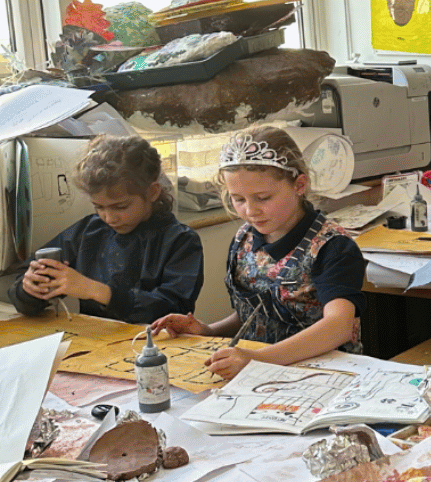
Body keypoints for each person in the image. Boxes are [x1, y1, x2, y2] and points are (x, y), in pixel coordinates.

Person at [150, 125, 366, 381]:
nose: (251, 211)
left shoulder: (332, 247)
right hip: (260, 376)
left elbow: (337, 327)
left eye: (263, 198)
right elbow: (255, 315)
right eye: (238, 199)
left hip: (325, 375)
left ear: (299, 184)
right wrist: (205, 331)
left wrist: (257, 360)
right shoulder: (245, 238)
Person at [8, 134, 203, 324]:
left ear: (152, 192)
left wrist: (97, 291)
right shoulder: (88, 231)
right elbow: (22, 287)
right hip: (98, 344)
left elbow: (174, 311)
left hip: (157, 348)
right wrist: (30, 288)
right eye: (99, 207)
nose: (109, 218)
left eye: (120, 207)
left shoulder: (181, 241)